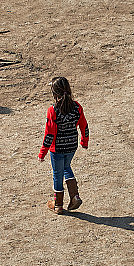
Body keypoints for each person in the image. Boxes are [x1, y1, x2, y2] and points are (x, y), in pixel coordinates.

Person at [38, 77, 89, 214]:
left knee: (57, 174)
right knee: (66, 167)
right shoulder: (77, 107)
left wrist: (42, 153)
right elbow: (84, 126)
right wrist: (84, 141)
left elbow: (49, 134)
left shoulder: (53, 110)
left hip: (57, 149)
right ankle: (74, 196)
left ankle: (58, 204)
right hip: (72, 146)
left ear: (54, 94)